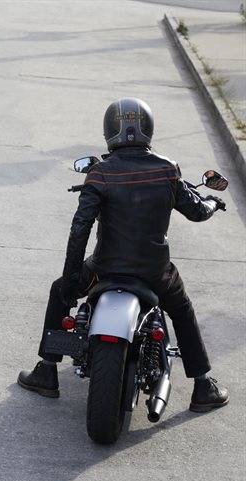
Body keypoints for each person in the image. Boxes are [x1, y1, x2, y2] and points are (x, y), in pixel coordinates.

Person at [17, 97, 229, 412]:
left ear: (109, 132)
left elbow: (80, 228)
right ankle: (202, 385)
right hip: (155, 274)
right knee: (181, 310)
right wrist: (212, 202)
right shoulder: (167, 169)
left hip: (104, 270)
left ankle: (47, 371)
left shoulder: (100, 173)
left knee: (57, 290)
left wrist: (72, 279)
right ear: (148, 129)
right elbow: (197, 211)